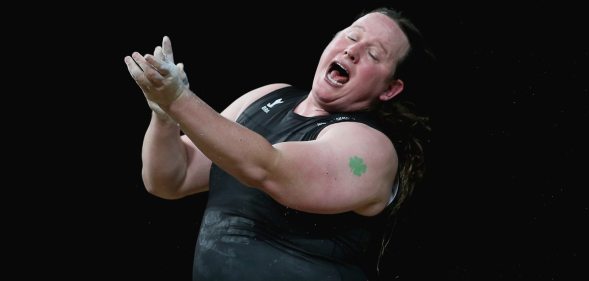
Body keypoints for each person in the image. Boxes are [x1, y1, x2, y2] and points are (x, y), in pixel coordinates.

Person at [124, 7, 433, 281]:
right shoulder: (268, 96)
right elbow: (169, 179)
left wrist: (179, 100)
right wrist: (165, 116)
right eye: (351, 36)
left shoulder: (371, 147)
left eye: (375, 54)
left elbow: (268, 169)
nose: (354, 51)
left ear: (390, 89)